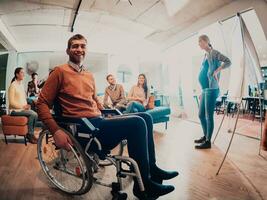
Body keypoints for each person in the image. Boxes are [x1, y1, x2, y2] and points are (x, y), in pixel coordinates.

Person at [36, 34, 178, 199]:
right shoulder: (59, 72)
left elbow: (94, 98)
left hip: (98, 120)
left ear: (86, 50)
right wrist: (55, 131)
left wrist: (103, 109)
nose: (79, 49)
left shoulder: (89, 75)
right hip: (83, 127)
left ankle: (152, 169)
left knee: (146, 117)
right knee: (137, 123)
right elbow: (41, 103)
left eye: (83, 46)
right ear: (68, 50)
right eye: (75, 46)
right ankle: (144, 186)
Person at [195, 34, 231, 149]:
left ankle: (208, 141)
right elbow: (205, 74)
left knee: (208, 115)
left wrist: (217, 70)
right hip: (205, 90)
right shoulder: (205, 55)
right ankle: (205, 136)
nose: (199, 44)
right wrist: (202, 91)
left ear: (206, 41)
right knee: (201, 115)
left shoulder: (214, 52)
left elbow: (228, 61)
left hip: (212, 89)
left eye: (200, 41)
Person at [8, 67, 38, 144]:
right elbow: (11, 102)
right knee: (33, 114)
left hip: (21, 109)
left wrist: (26, 105)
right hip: (14, 111)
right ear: (17, 74)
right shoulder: (13, 85)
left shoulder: (21, 85)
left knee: (35, 114)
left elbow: (23, 98)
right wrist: (22, 106)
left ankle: (31, 133)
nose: (23, 74)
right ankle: (30, 134)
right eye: (22, 72)